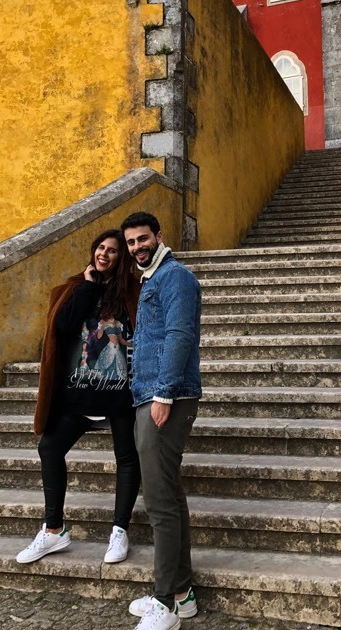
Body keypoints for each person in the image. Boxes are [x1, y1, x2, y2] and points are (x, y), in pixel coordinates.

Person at [16, 229, 141, 565]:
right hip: (79, 392)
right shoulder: (75, 287)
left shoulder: (135, 290)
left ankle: (119, 530)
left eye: (113, 250)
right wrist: (88, 287)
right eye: (100, 248)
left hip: (121, 393)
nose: (104, 254)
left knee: (127, 459)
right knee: (50, 448)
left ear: (122, 257)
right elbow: (63, 326)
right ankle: (54, 530)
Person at [121, 212, 202, 630]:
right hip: (148, 393)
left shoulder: (175, 277)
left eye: (142, 238)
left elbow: (180, 335)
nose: (137, 246)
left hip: (164, 397)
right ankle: (182, 594)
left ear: (159, 236)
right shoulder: (150, 279)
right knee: (169, 495)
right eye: (131, 242)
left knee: (158, 502)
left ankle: (164, 604)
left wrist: (164, 393)